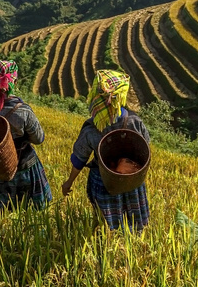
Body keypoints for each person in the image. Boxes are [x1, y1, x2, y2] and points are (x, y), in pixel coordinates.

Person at [61, 69, 150, 231]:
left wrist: (69, 182)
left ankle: (106, 243)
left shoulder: (91, 129)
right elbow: (145, 151)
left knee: (106, 224)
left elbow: (79, 159)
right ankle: (133, 246)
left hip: (104, 181)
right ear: (121, 97)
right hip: (131, 180)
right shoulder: (135, 123)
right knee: (134, 221)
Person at [0, 60, 52, 211]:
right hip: (23, 167)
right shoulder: (23, 111)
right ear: (14, 81)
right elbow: (39, 138)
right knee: (29, 211)